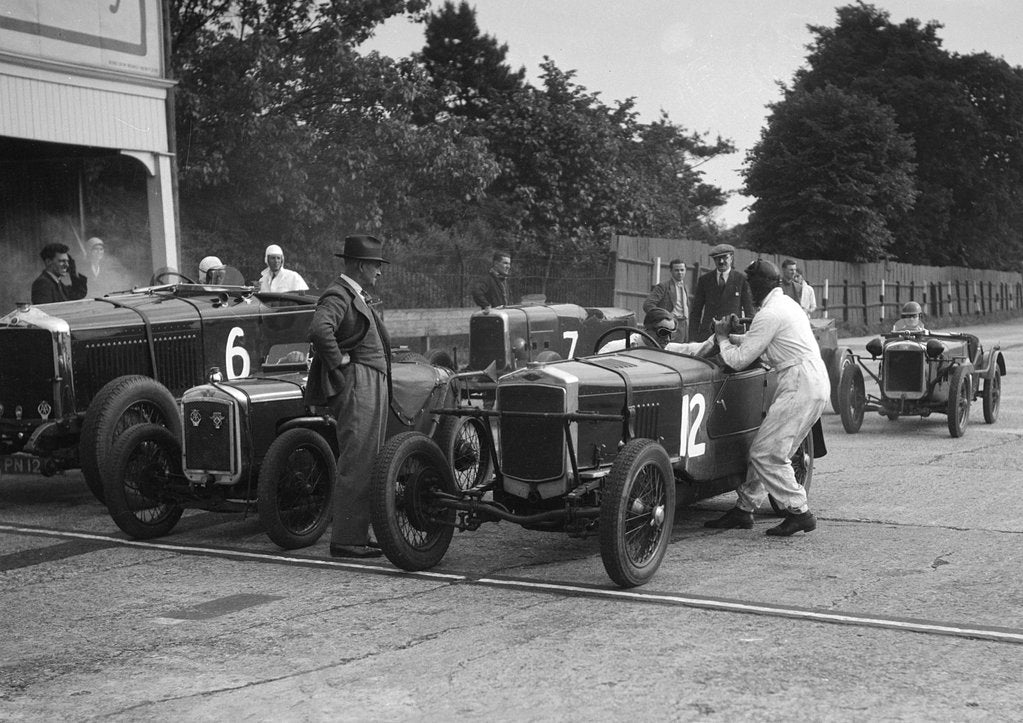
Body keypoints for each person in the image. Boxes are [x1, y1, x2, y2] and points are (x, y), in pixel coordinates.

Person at [704, 259, 829, 536]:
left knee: (765, 453)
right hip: (812, 381)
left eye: (750, 285)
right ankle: (744, 509)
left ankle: (799, 511)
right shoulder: (785, 306)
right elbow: (758, 342)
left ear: (758, 286)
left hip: (800, 382)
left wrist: (723, 337)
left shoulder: (770, 313)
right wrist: (735, 335)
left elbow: (737, 361)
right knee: (773, 451)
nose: (748, 290)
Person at [306, 235, 392, 559]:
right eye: (375, 265)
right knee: (357, 461)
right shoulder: (338, 293)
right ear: (359, 265)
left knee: (368, 460)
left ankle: (358, 534)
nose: (379, 272)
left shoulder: (355, 294)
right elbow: (319, 329)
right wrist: (338, 361)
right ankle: (345, 539)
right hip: (358, 385)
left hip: (369, 384)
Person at [688, 243, 754, 342]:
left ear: (731, 258)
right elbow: (696, 312)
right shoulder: (705, 280)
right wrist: (692, 339)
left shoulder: (741, 279)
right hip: (708, 335)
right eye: (717, 258)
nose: (721, 261)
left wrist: (750, 338)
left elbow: (749, 311)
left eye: (724, 257)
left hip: (733, 334)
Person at [600, 308, 714, 356]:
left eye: (671, 334)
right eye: (663, 333)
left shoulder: (668, 349)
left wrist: (719, 336)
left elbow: (696, 348)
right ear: (646, 330)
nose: (668, 339)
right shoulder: (615, 348)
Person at [643, 258, 690, 341]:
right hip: (669, 325)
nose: (680, 273)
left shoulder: (685, 287)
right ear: (671, 271)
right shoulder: (663, 286)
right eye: (676, 270)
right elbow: (648, 304)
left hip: (684, 326)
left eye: (682, 270)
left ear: (686, 271)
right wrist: (662, 317)